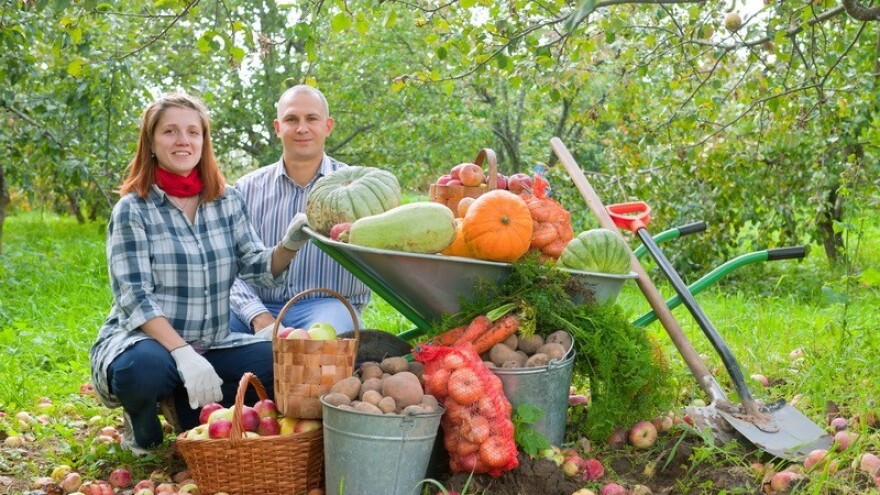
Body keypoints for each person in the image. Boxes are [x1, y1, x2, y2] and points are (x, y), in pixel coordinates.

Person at [89, 92, 309, 455]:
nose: (183, 140)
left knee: (285, 361)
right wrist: (183, 353)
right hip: (149, 343)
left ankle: (183, 404)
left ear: (204, 141)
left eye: (193, 132)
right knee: (141, 370)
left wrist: (289, 244)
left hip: (213, 343)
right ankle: (141, 426)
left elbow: (257, 267)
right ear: (152, 143)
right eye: (170, 132)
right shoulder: (134, 209)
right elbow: (134, 296)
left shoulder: (226, 201)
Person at [229, 85, 370, 337]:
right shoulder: (245, 190)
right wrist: (258, 317)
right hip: (256, 306)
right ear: (277, 127)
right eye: (291, 119)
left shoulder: (358, 188)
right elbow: (226, 267)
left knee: (324, 349)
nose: (302, 128)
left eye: (312, 119)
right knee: (206, 333)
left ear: (328, 126)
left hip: (328, 305)